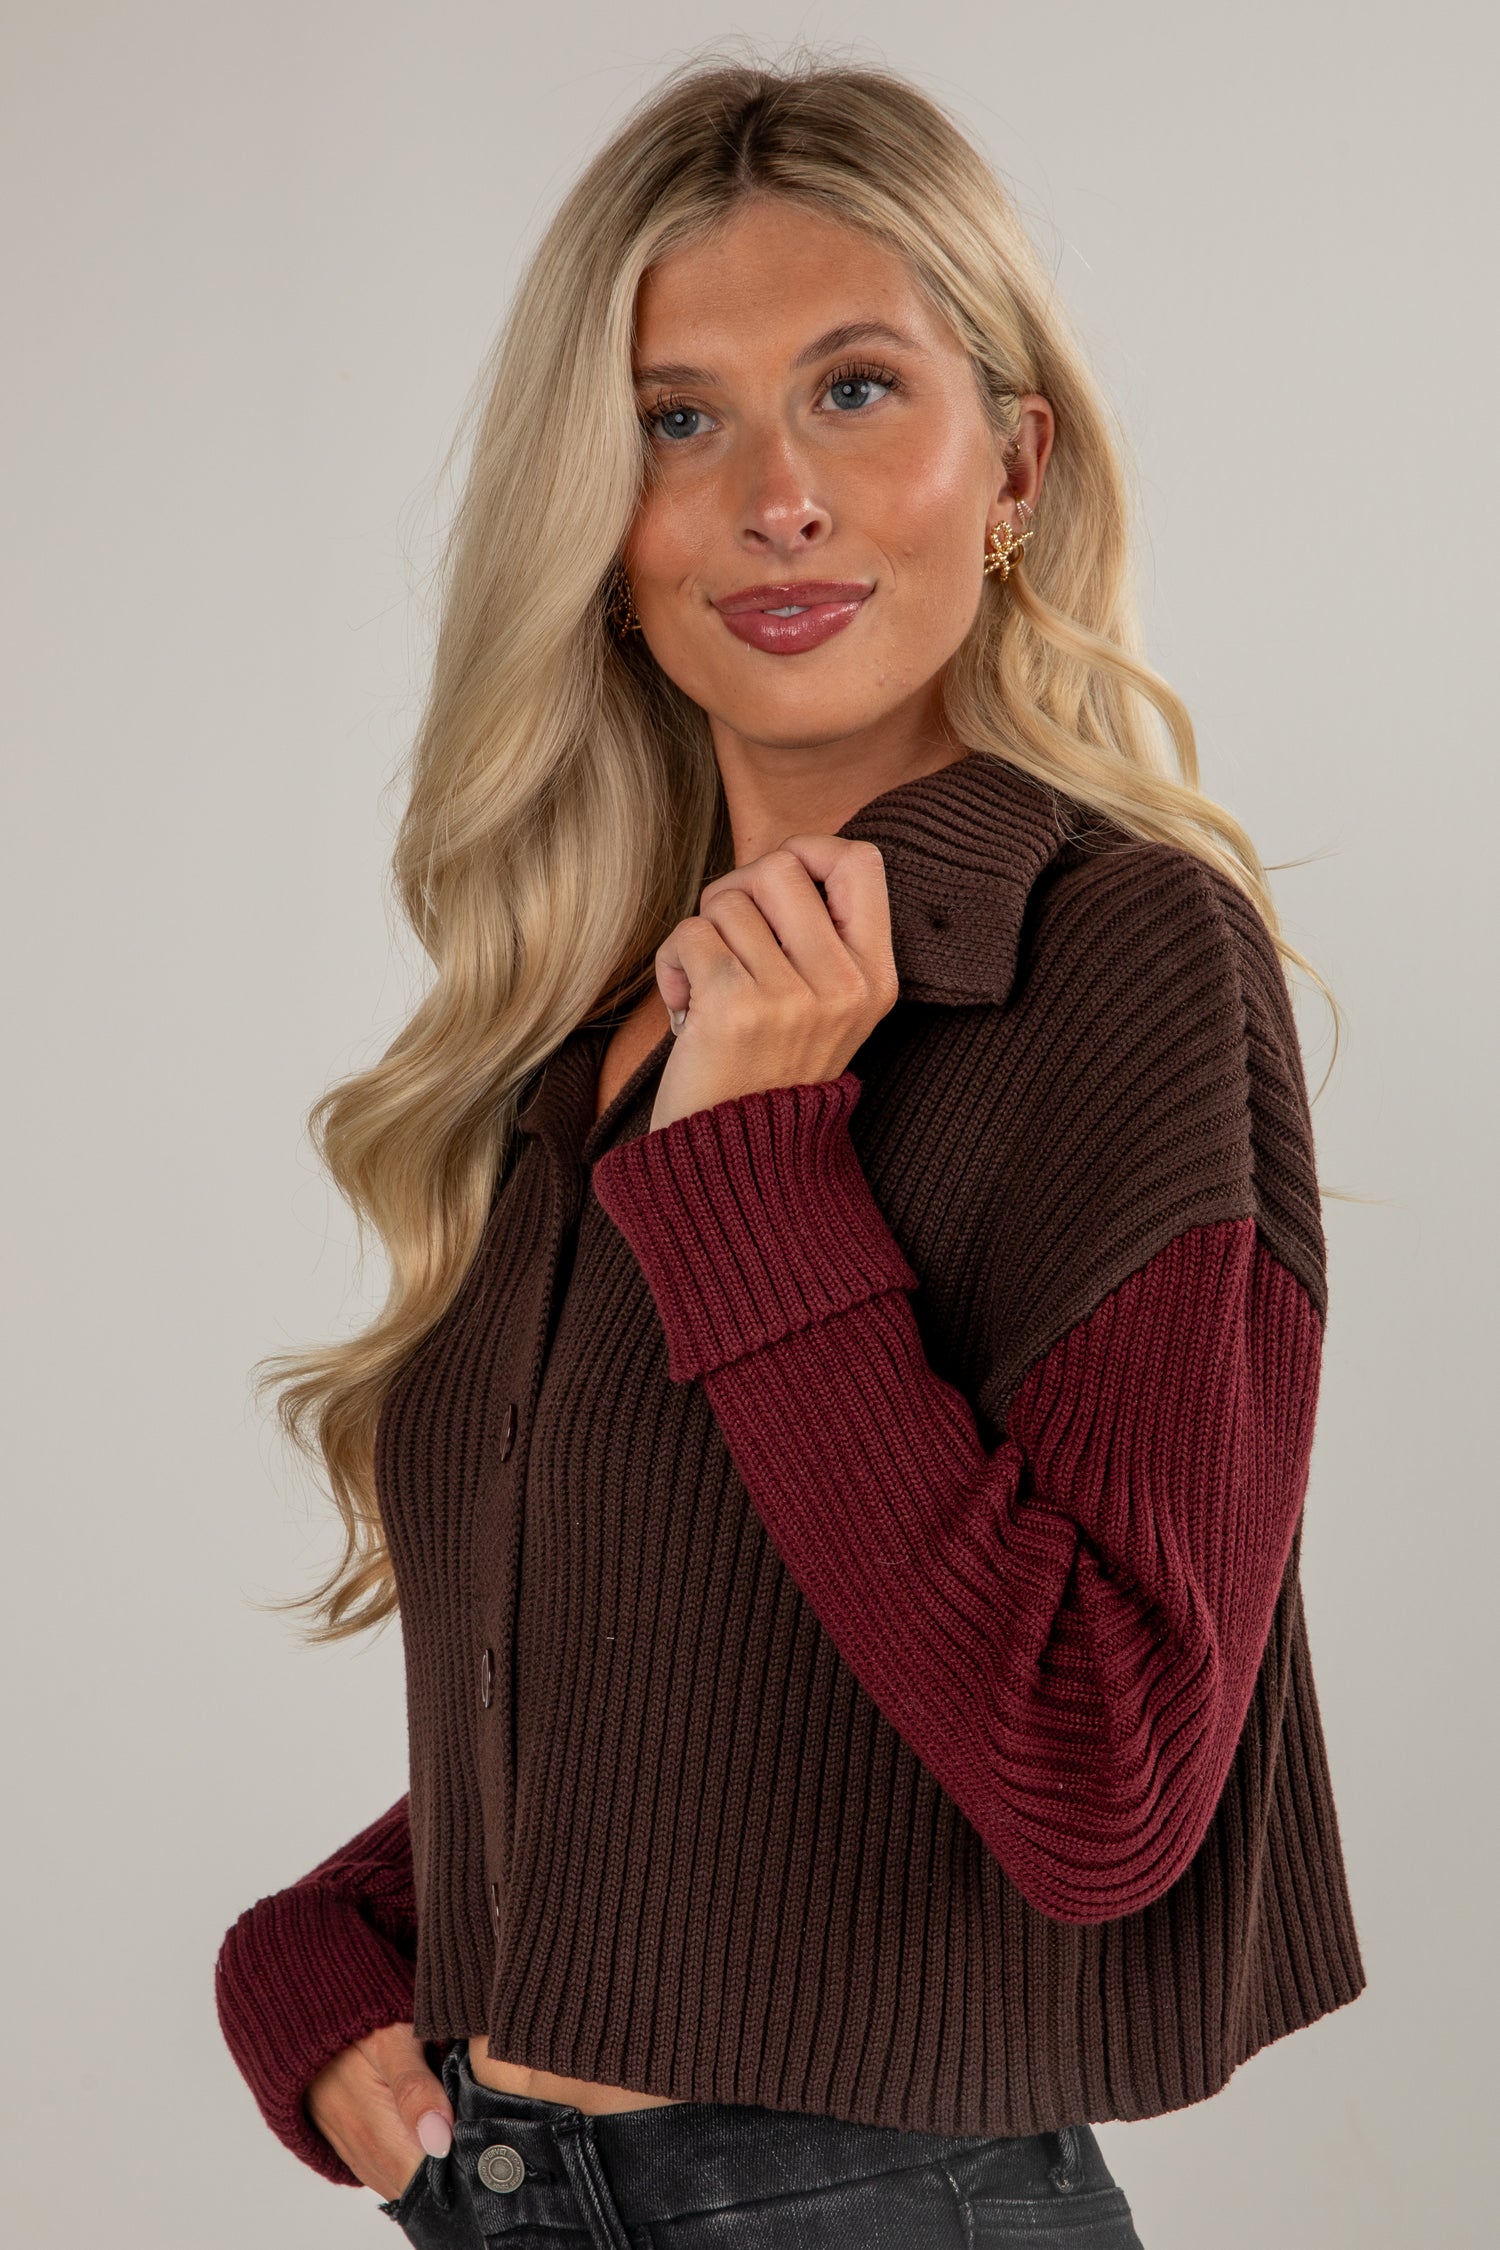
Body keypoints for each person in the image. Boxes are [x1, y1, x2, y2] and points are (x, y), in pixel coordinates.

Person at [214, 50, 1366, 2250]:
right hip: (518, 2194)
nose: (778, 497)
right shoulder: (612, 1019)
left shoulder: (1108, 951)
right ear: (602, 519)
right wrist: (341, 1935)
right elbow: (712, 1681)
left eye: (856, 390)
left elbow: (1102, 1777)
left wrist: (760, 1178)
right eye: (676, 420)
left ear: (1012, 460)